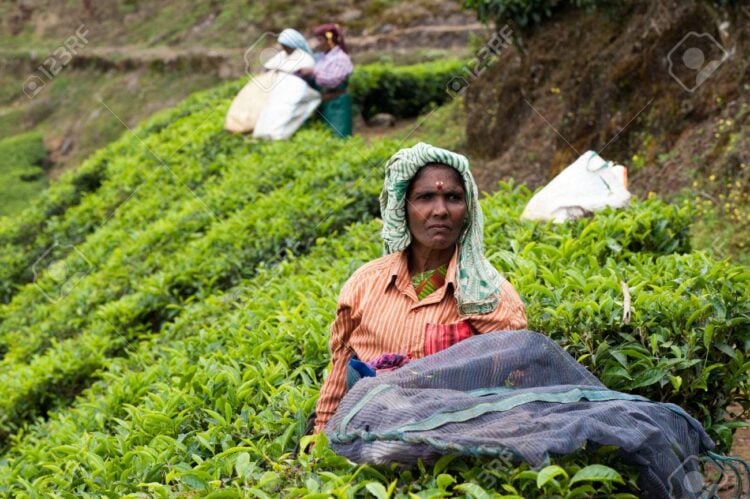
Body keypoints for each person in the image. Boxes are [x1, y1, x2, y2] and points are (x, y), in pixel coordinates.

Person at [313, 143, 528, 434]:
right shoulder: (364, 285)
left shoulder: (490, 295)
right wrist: (320, 438)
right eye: (425, 197)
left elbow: (516, 385)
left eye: (453, 197)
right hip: (367, 439)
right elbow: (340, 369)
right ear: (402, 205)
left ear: (467, 209)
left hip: (453, 444)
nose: (440, 210)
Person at [297, 23, 354, 138]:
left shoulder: (340, 58)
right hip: (325, 103)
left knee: (339, 135)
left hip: (337, 104)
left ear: (330, 40)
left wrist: (313, 72)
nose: (318, 43)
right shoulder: (323, 57)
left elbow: (332, 80)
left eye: (320, 40)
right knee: (326, 136)